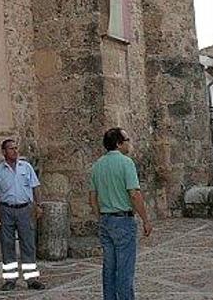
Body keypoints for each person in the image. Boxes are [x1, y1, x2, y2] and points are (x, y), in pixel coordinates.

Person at [89, 127, 153, 300]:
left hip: (106, 220)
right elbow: (134, 194)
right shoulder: (126, 163)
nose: (129, 143)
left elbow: (92, 197)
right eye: (127, 140)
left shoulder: (97, 165)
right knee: (125, 268)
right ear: (118, 144)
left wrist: (100, 217)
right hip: (123, 220)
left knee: (109, 268)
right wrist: (145, 219)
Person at [0, 139, 45, 291]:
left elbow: (35, 187)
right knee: (7, 244)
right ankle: (10, 279)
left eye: (16, 148)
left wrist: (38, 205)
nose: (15, 151)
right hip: (6, 209)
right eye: (11, 149)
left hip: (25, 209)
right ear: (4, 152)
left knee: (28, 244)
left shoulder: (26, 167)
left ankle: (31, 279)